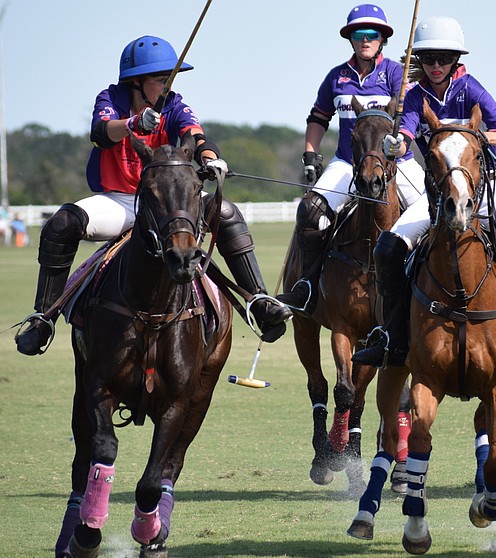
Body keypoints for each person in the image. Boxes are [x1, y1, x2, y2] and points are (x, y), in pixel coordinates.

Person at [14, 35, 291, 356]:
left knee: (224, 211)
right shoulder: (111, 98)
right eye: (161, 80)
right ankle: (43, 317)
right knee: (62, 223)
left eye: (169, 79)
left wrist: (210, 158)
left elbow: (196, 135)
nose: (167, 86)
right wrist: (134, 122)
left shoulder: (174, 104)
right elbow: (100, 133)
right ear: (136, 82)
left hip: (167, 206)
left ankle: (259, 301)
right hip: (119, 202)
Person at [351, 16, 496, 369]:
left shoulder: (471, 88)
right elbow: (407, 137)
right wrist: (396, 144)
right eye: (429, 59)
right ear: (421, 62)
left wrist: (478, 138)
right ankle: (393, 334)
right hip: (436, 199)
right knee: (388, 248)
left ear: (456, 59)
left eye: (443, 58)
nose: (436, 65)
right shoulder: (413, 97)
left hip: (485, 189)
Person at [279, 4, 426, 313]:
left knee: (433, 214)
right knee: (310, 210)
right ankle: (306, 284)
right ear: (351, 39)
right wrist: (310, 153)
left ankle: (424, 288)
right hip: (348, 163)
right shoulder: (337, 77)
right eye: (359, 34)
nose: (365, 40)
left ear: (382, 38)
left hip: (397, 164)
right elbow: (318, 117)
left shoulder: (397, 75)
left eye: (372, 34)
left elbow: (417, 117)